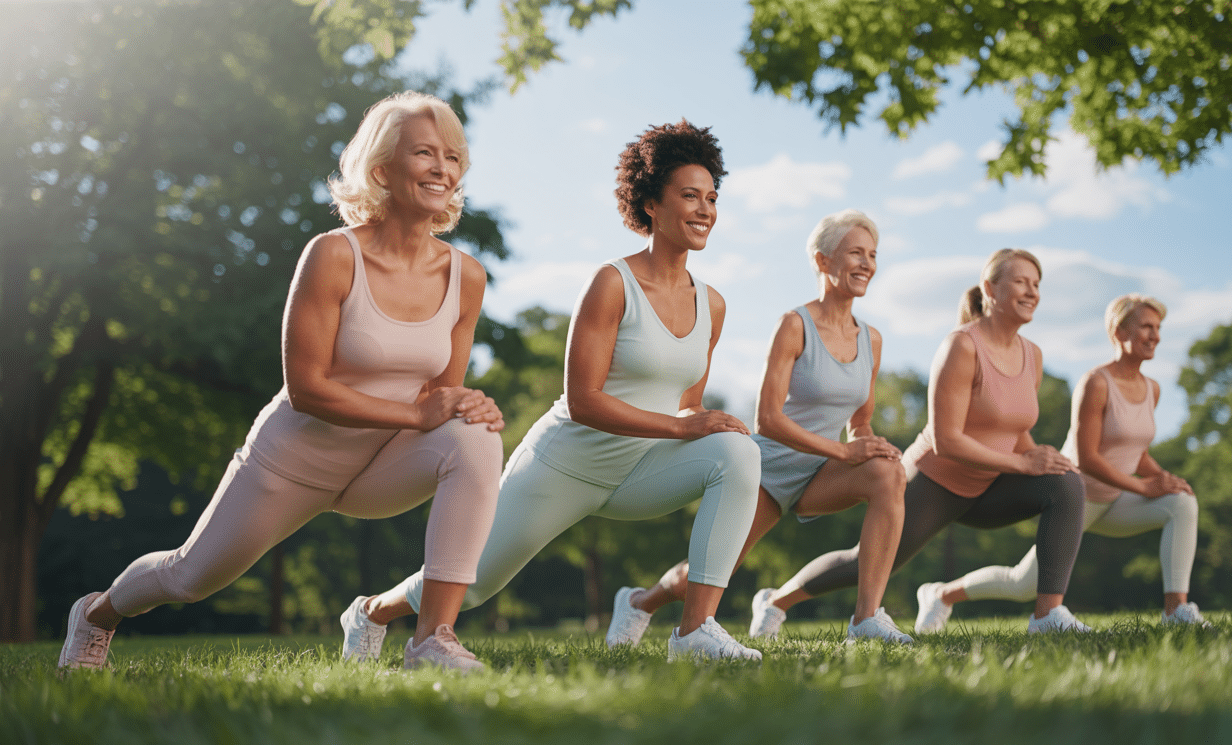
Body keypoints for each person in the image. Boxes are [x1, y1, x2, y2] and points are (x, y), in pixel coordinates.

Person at [57, 92, 505, 672]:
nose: (442, 168)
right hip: (294, 460)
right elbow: (307, 389)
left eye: (452, 155)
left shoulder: (467, 275)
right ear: (382, 170)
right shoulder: (333, 255)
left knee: (475, 436)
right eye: (424, 153)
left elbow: (437, 397)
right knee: (190, 576)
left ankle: (430, 640)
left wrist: (463, 406)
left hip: (377, 465)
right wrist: (419, 416)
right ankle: (96, 614)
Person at [340, 120, 763, 662]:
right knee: (469, 587)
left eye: (711, 198)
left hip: (639, 470)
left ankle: (694, 631)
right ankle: (371, 611)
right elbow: (584, 399)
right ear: (652, 204)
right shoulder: (612, 284)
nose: (705, 210)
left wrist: (700, 424)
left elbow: (688, 404)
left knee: (738, 453)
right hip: (565, 464)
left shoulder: (714, 305)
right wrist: (681, 426)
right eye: (689, 196)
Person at [605, 209, 911, 647]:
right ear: (823, 262)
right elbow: (767, 419)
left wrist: (868, 443)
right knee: (710, 573)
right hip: (770, 468)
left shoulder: (872, 340)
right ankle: (640, 602)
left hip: (822, 471)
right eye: (855, 253)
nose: (866, 264)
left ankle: (866, 620)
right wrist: (844, 452)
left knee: (889, 474)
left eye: (872, 255)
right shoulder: (794, 325)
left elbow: (859, 422)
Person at [754, 248, 1090, 636]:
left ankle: (1048, 616)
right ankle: (775, 601)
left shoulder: (1032, 354)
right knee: (866, 562)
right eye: (1020, 282)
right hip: (937, 481)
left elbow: (1012, 427)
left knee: (1066, 484)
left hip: (990, 483)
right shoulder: (962, 345)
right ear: (990, 289)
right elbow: (947, 440)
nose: (1031, 291)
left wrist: (1036, 454)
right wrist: (1022, 464)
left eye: (1036, 284)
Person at [914, 294, 1208, 632]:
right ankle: (940, 595)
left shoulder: (1152, 389)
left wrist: (1162, 478)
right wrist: (1143, 485)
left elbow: (1134, 451)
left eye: (1158, 328)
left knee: (1181, 502)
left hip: (1117, 499)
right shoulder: (1096, 383)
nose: (1154, 335)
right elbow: (1087, 458)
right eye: (1145, 326)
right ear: (1119, 330)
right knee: (1022, 585)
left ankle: (1177, 610)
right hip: (1077, 499)